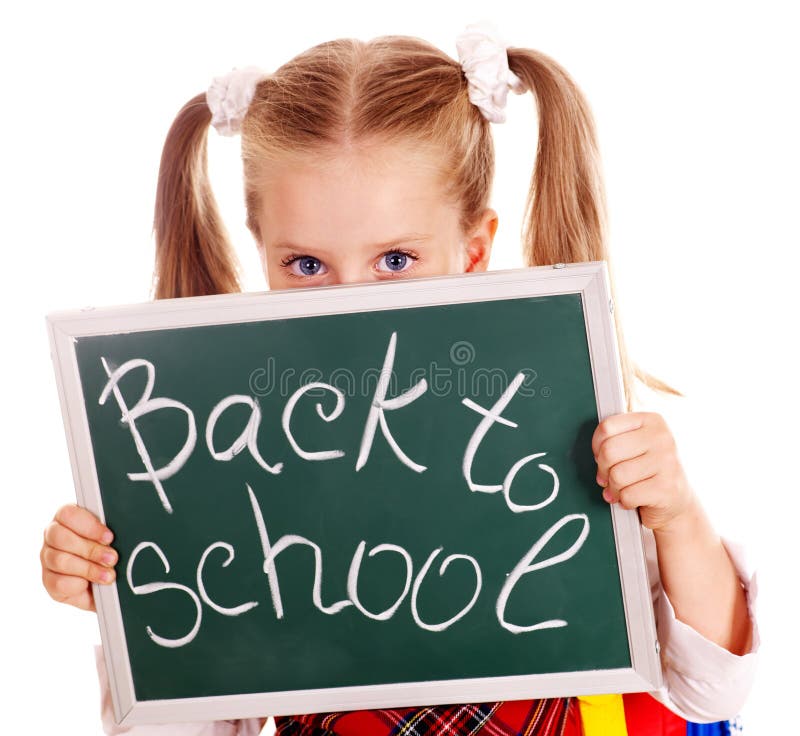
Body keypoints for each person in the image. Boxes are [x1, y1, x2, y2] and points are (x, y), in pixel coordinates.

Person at [40, 22, 758, 736]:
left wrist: (678, 514)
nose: (354, 301)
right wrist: (130, 603)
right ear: (262, 252)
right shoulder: (229, 456)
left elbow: (713, 689)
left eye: (394, 260)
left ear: (473, 249)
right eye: (308, 266)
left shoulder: (562, 422)